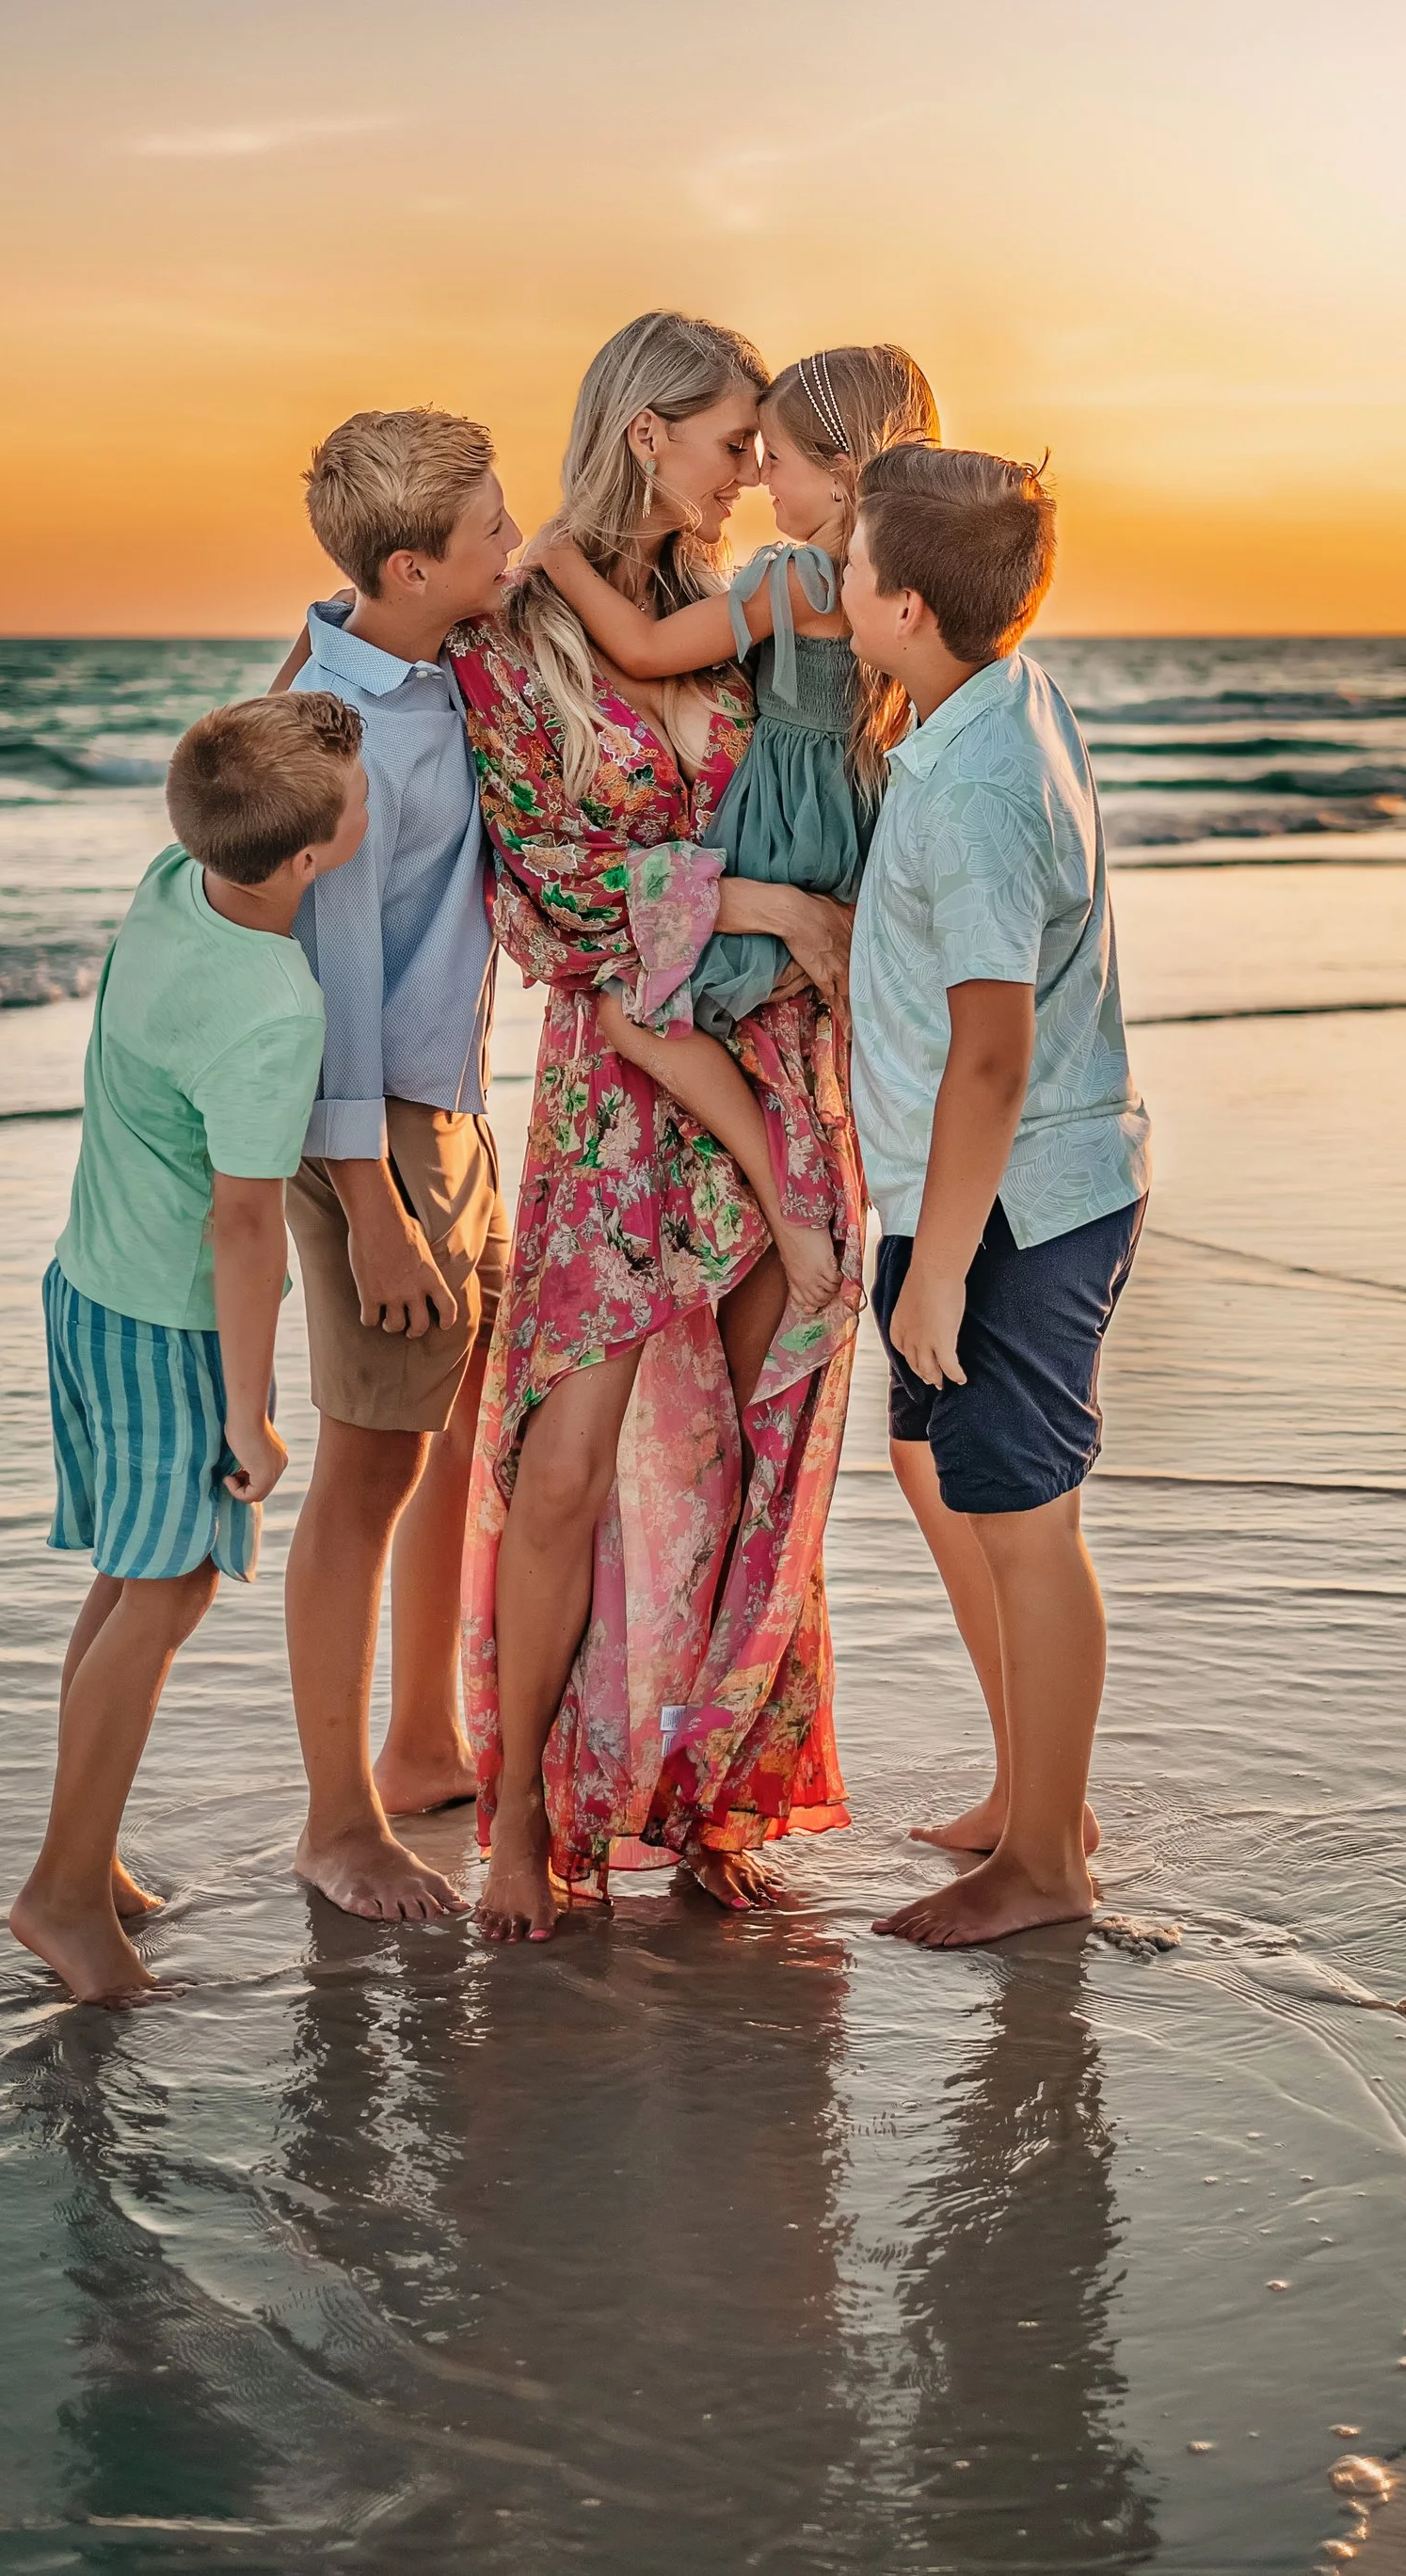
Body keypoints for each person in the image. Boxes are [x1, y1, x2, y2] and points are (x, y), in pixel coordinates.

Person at [449, 309, 864, 1941]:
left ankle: (710, 1804)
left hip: (767, 1060)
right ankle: (510, 1830)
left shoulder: (743, 610)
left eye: (767, 444)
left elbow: (828, 785)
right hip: (619, 1107)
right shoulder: (519, 636)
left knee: (761, 1457)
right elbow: (544, 895)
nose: (751, 470)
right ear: (646, 433)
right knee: (566, 1472)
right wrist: (753, 891)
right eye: (731, 440)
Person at [11, 690, 368, 2005]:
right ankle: (58, 1891)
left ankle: (83, 1860)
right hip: (173, 1325)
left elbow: (236, 777)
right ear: (315, 858)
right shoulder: (274, 1006)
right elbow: (243, 1224)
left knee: (125, 1578)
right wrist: (248, 1414)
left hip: (85, 1287)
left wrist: (292, 700)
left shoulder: (175, 879)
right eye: (353, 794)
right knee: (167, 1596)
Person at [840, 446, 1151, 1949]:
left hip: (1008, 1207)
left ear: (903, 606)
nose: (829, 584)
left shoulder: (970, 784)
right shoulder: (998, 695)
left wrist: (941, 1264)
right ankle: (1041, 1794)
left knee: (1028, 1519)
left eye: (848, 567)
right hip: (977, 1195)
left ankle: (1048, 1860)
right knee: (935, 1466)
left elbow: (993, 1050)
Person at [520, 342, 938, 1324]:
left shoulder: (795, 580)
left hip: (778, 842)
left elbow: (644, 647)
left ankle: (785, 1205)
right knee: (763, 997)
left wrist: (557, 558)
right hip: (844, 836)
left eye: (775, 457)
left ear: (838, 473)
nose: (758, 476)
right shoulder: (884, 583)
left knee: (630, 1008)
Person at [264, 405, 524, 1925]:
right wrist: (369, 1207)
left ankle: (426, 1741)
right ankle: (336, 1818)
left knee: (442, 1446)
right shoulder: (342, 740)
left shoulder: (414, 659)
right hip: (369, 1136)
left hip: (452, 1115)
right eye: (490, 529)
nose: (517, 542)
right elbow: (333, 991)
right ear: (414, 564)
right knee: (365, 1474)